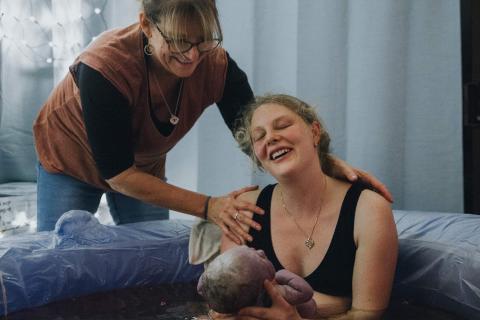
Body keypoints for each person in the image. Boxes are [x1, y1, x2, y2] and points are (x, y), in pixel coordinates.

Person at [33, 0, 392, 243]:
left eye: (202, 40)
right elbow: (119, 174)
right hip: (69, 160)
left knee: (152, 260)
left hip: (141, 165)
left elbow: (256, 137)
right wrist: (210, 207)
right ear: (146, 24)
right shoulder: (104, 67)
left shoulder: (216, 65)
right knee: (59, 259)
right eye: (177, 41)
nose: (191, 56)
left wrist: (325, 162)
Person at [215, 94, 398, 319]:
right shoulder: (243, 211)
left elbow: (366, 315)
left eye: (282, 125)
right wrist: (332, 305)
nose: (271, 138)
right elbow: (223, 311)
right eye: (259, 137)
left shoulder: (368, 210)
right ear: (257, 158)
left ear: (314, 132)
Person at [197, 245, 316, 319]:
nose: (261, 251)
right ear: (262, 286)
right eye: (261, 258)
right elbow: (305, 292)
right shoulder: (275, 292)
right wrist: (281, 274)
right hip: (301, 315)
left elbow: (202, 287)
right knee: (309, 306)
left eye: (249, 248)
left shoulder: (229, 304)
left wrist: (209, 279)